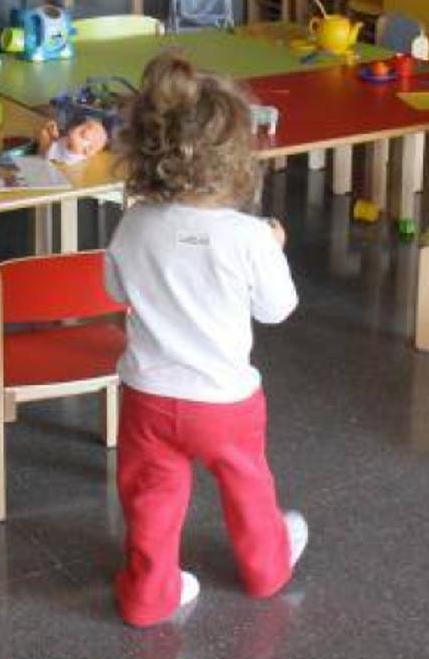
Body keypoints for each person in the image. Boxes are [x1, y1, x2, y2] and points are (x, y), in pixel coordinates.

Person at [103, 53, 308, 627]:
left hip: (147, 396)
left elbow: (115, 285)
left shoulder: (134, 223)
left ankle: (149, 594)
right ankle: (267, 568)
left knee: (152, 501)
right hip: (224, 402)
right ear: (237, 161)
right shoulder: (248, 237)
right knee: (247, 488)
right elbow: (278, 309)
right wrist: (272, 247)